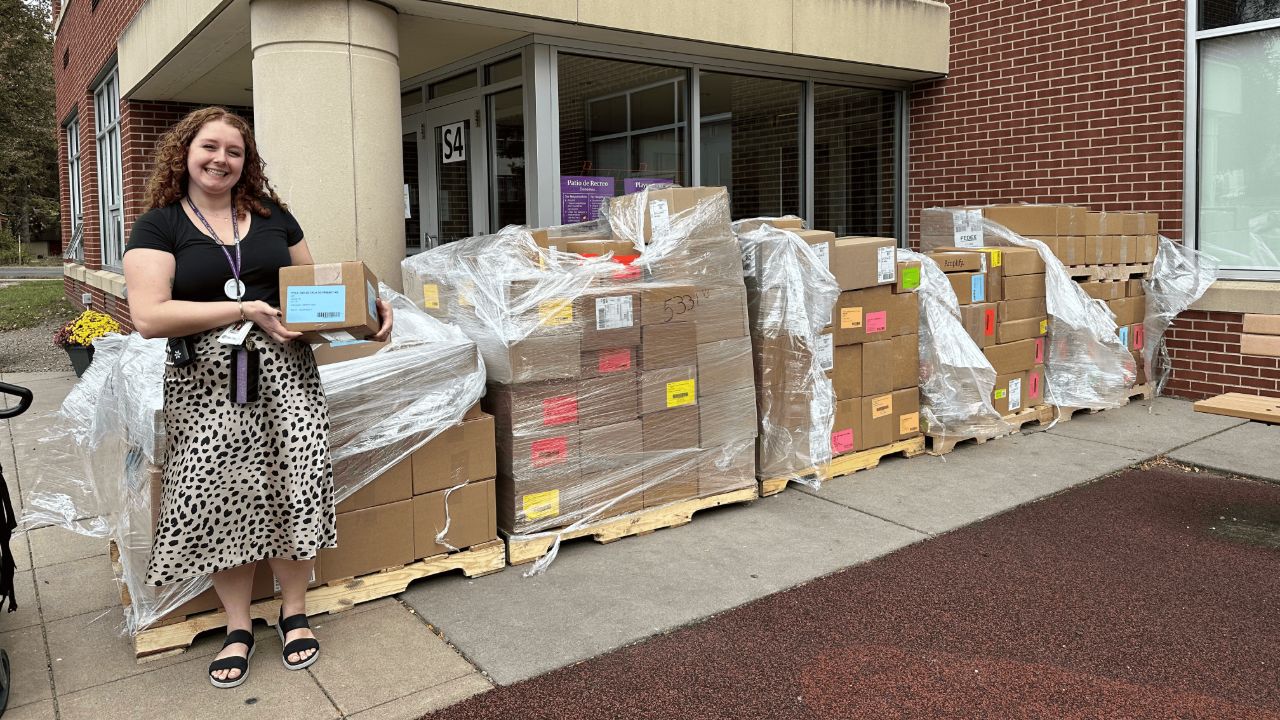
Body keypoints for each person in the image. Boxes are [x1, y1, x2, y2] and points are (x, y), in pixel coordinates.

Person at [123, 107, 392, 688]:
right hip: (207, 384)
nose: (221, 159)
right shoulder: (159, 225)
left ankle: (295, 611)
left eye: (235, 151)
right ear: (185, 153)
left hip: (286, 377)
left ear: (247, 162)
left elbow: (314, 298)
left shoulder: (275, 219)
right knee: (221, 497)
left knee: (292, 486)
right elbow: (148, 315)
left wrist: (368, 318)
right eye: (209, 147)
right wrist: (244, 309)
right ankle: (238, 625)